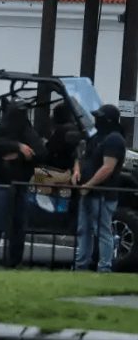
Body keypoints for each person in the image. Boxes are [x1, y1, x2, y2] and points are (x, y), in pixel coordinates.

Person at [0, 100, 47, 268]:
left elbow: (41, 152)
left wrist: (19, 154)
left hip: (20, 183)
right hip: (1, 182)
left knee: (18, 226)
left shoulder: (27, 131)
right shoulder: (0, 129)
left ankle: (13, 262)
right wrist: (18, 146)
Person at [72, 104, 127, 273]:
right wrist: (76, 172)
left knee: (102, 231)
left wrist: (88, 185)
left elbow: (108, 168)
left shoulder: (114, 139)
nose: (97, 120)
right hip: (88, 192)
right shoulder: (96, 137)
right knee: (83, 229)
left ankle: (104, 267)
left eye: (100, 117)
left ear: (109, 120)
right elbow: (81, 157)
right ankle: (81, 264)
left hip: (103, 194)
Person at [45, 102, 81, 170]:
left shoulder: (61, 130)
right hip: (71, 163)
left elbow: (50, 148)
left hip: (62, 166)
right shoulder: (76, 128)